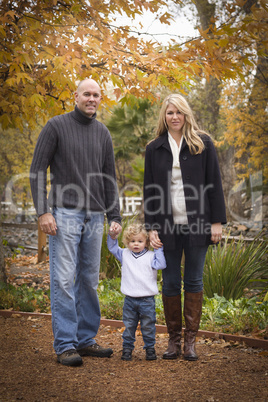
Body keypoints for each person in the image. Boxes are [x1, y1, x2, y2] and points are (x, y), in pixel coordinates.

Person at [30, 79, 122, 366]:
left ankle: (85, 340)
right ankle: (66, 345)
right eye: (86, 94)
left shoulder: (103, 132)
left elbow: (109, 178)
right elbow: (36, 170)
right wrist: (44, 212)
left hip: (94, 216)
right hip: (64, 214)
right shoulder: (56, 126)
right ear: (76, 96)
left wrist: (114, 215)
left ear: (99, 98)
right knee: (63, 279)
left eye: (96, 95)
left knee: (89, 280)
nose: (91, 99)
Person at [143, 94, 226, 361]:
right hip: (166, 227)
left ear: (186, 114)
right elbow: (150, 192)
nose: (174, 117)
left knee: (193, 280)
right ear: (164, 117)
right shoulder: (154, 148)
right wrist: (152, 227)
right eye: (169, 113)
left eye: (179, 112)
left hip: (198, 224)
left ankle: (190, 342)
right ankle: (174, 342)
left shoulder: (203, 143)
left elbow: (214, 182)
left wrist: (216, 221)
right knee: (169, 283)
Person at [107, 223, 166, 361]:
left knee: (148, 327)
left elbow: (161, 264)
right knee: (129, 326)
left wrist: (158, 249)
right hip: (130, 300)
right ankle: (127, 349)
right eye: (132, 241)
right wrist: (112, 235)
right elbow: (112, 247)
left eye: (140, 241)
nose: (136, 244)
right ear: (127, 242)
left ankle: (150, 349)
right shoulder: (124, 254)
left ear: (146, 242)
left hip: (147, 300)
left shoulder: (151, 256)